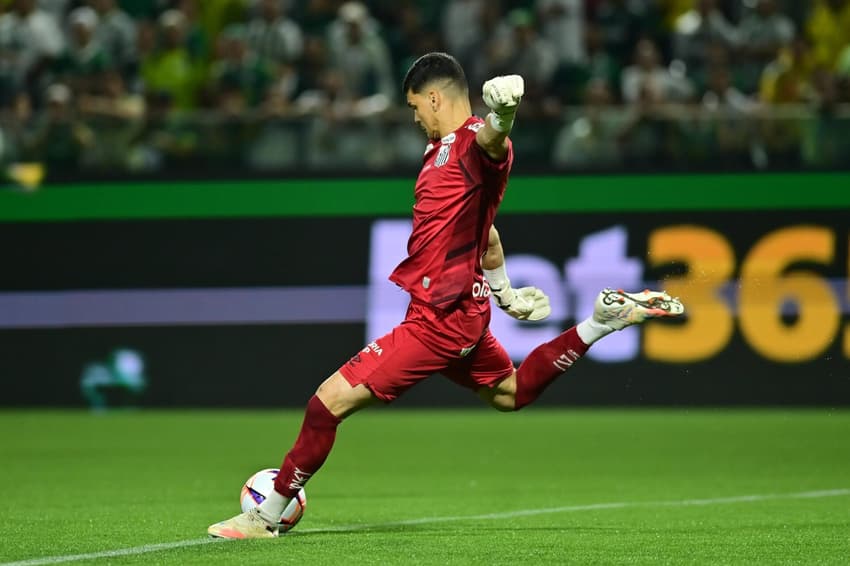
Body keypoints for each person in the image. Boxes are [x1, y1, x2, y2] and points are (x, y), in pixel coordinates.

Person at [207, 52, 684, 539]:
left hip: (440, 319)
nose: (415, 118)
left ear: (434, 98)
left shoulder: (475, 143)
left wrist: (504, 114)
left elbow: (494, 144)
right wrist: (505, 294)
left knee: (326, 404)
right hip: (459, 311)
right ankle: (600, 323)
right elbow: (488, 234)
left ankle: (267, 515)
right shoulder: (441, 151)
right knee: (510, 392)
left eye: (415, 106)